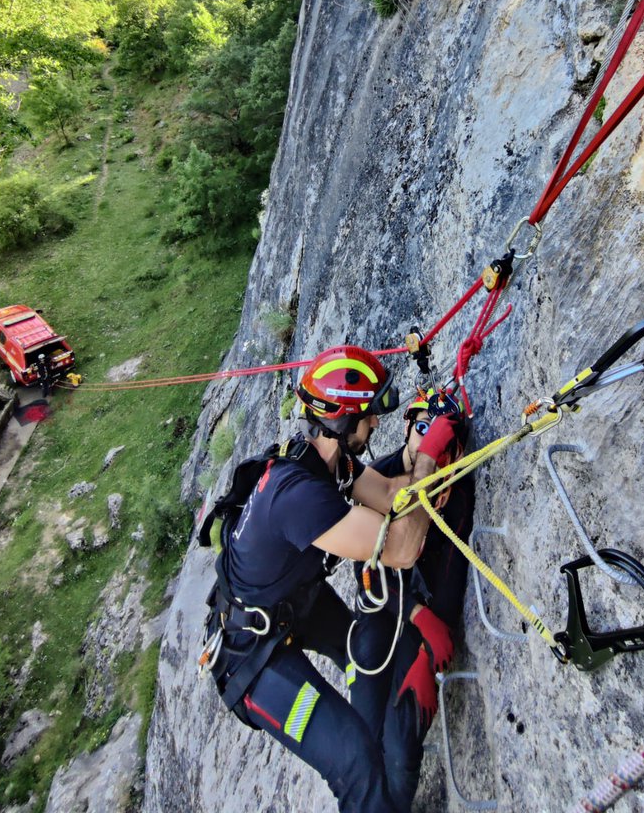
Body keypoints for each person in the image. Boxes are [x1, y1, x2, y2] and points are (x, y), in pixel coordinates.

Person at [200, 345, 462, 813]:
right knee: (355, 760)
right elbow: (402, 548)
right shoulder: (299, 495)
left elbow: (387, 494)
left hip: (291, 604)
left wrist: (421, 453)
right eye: (369, 416)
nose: (377, 424)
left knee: (368, 652)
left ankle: (384, 764)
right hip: (252, 661)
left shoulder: (323, 462)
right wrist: (426, 464)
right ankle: (370, 782)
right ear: (342, 422)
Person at [347, 389, 475, 809]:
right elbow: (365, 570)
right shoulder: (376, 479)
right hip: (383, 609)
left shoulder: (454, 489)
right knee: (360, 737)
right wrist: (418, 614)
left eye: (444, 443)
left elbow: (452, 565)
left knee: (399, 747)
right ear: (406, 427)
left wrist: (437, 623)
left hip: (417, 615)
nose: (433, 449)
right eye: (423, 429)